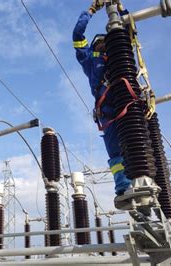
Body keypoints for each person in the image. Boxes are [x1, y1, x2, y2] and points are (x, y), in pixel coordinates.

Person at [72, 4, 131, 197]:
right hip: (107, 110)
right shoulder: (90, 60)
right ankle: (123, 188)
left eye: (106, 42)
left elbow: (130, 29)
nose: (103, 44)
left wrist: (121, 10)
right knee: (115, 151)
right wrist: (90, 11)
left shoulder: (119, 54)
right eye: (100, 43)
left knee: (137, 142)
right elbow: (78, 35)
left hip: (129, 103)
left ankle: (143, 179)